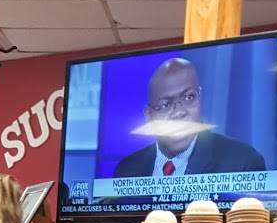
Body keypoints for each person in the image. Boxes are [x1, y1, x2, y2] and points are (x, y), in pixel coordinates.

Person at [113, 57, 265, 179]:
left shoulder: (242, 163)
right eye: (165, 105)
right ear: (149, 115)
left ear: (200, 97)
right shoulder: (127, 170)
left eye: (189, 97)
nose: (179, 112)